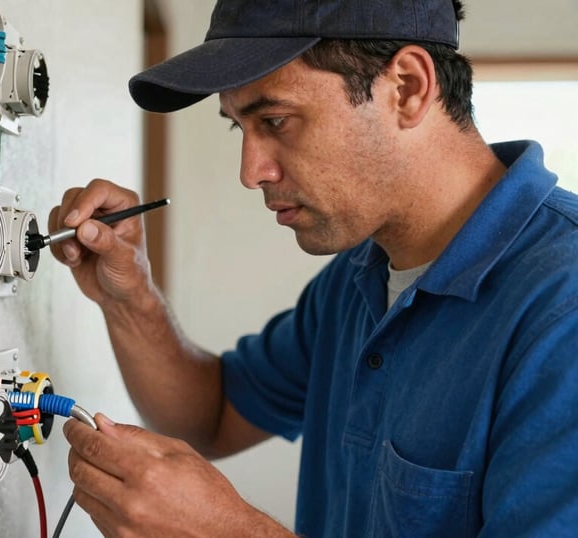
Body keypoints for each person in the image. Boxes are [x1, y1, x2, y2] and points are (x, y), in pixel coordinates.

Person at [50, 0, 578, 536]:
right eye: (240, 129)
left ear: (408, 88)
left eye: (275, 121)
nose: (252, 172)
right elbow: (211, 416)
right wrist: (129, 293)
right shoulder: (360, 275)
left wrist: (228, 530)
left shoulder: (563, 305)